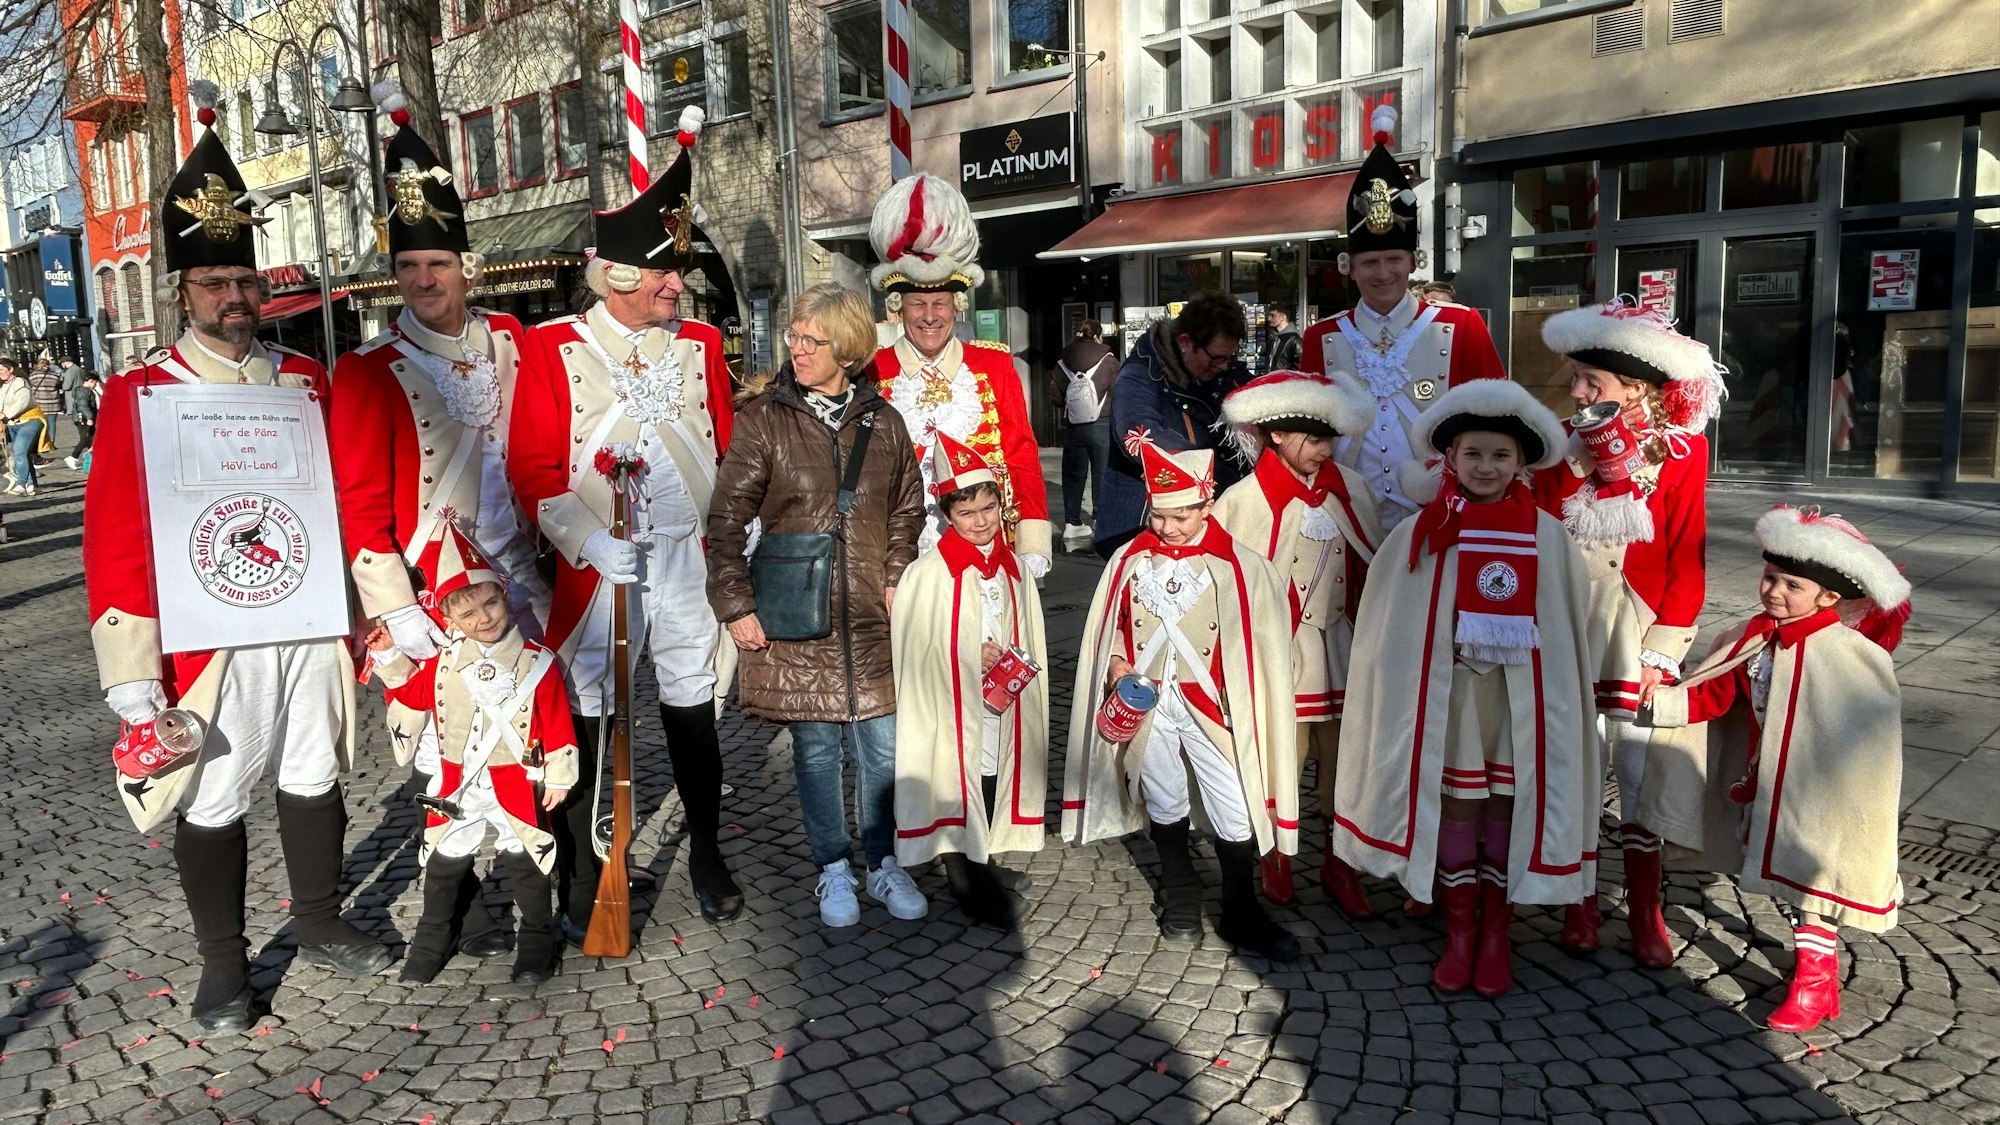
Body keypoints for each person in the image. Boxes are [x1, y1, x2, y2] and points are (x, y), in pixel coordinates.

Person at [82, 90, 388, 1034]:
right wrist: (133, 678)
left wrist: (370, 609)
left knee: (314, 767)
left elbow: (344, 502)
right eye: (214, 282)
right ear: (183, 291)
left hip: (306, 616)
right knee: (215, 789)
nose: (234, 298)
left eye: (245, 281)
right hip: (207, 632)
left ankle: (319, 919)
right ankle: (223, 964)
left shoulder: (306, 380)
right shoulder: (141, 392)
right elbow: (116, 534)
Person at [511, 108, 746, 931]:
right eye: (662, 273)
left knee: (693, 705)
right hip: (600, 566)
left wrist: (736, 530)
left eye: (678, 271)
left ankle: (707, 850)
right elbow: (531, 467)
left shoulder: (702, 344)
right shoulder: (550, 346)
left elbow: (726, 443)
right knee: (593, 714)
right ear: (615, 276)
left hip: (686, 558)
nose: (677, 285)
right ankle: (588, 871)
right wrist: (584, 540)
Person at [331, 84, 552, 955]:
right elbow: (359, 507)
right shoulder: (367, 368)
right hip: (436, 590)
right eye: (410, 268)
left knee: (532, 730)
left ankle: (541, 888)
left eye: (439, 264)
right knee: (447, 751)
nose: (424, 281)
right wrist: (398, 611)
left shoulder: (512, 342)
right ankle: (451, 911)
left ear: (469, 266)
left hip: (526, 578)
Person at [1333, 380, 1596, 998]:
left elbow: (1565, 627)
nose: (1486, 466)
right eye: (1473, 453)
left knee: (1504, 806)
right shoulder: (1422, 532)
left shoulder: (1549, 537)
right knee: (1456, 806)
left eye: (1500, 455)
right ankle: (1459, 931)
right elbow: (1392, 626)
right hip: (1448, 699)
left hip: (1516, 702)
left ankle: (1496, 933)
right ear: (1449, 457)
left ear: (1521, 461)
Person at [706, 283, 929, 930]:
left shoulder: (884, 422)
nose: (797, 349)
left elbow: (907, 508)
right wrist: (735, 605)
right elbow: (725, 521)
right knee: (817, 753)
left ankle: (883, 861)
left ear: (849, 352)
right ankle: (832, 866)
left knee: (883, 750)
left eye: (812, 340)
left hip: (872, 618)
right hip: (797, 616)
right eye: (794, 337)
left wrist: (896, 575)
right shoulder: (765, 421)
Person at [1640, 506, 1910, 1032]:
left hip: (1821, 788)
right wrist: (1663, 703)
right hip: (1763, 778)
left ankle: (1814, 979)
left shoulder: (1850, 654)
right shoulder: (1755, 636)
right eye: (1769, 578)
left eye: (1792, 585)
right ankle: (1815, 972)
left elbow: (1869, 743)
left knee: (1812, 874)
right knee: (1783, 874)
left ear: (1829, 597)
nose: (1774, 592)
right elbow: (1717, 692)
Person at [1530, 298, 1729, 960]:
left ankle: (1647, 911)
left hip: (1638, 632)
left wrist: (1663, 650)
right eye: (1576, 378)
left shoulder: (1682, 451)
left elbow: (1688, 558)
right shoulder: (1558, 445)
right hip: (1570, 626)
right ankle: (1580, 904)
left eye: (1592, 381)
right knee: (1577, 771)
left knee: (1641, 778)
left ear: (1638, 387)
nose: (1578, 391)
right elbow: (1538, 534)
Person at [1063, 430, 1300, 959]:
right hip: (1148, 703)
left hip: (1212, 706)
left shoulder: (1241, 566)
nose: (1168, 528)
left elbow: (1260, 645)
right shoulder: (1129, 559)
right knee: (1163, 796)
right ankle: (1182, 892)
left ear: (1207, 505)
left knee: (1236, 806)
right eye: (1159, 516)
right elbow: (1113, 625)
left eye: (1182, 516)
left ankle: (1240, 910)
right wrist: (1116, 661)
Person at [367, 522, 578, 986]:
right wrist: (388, 656)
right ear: (449, 620)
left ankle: (537, 940)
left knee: (526, 863)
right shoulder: (444, 662)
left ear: (504, 597)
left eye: (491, 603)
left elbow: (556, 719)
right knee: (443, 865)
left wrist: (560, 776)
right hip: (457, 782)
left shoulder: (537, 661)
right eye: (468, 613)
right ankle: (432, 940)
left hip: (514, 781)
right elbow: (414, 693)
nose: (484, 618)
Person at [1211, 370, 1383, 912]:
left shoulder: (1350, 490)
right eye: (1313, 439)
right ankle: (1277, 857)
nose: (1325, 450)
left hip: (1344, 644)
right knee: (1282, 753)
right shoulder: (1243, 501)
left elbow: (1374, 563)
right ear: (1277, 435)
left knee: (1345, 758)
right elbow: (1224, 588)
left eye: (1330, 438)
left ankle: (1340, 862)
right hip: (1282, 651)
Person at [1299, 106, 1504, 531]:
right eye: (1369, 262)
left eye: (1394, 259)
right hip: (1349, 520)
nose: (1382, 273)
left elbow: (1496, 421)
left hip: (1443, 517)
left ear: (1413, 262)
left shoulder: (1462, 327)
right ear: (1349, 268)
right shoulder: (1321, 336)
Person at [891, 432, 1049, 928]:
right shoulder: (928, 574)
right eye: (966, 513)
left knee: (993, 768)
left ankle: (983, 852)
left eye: (988, 509)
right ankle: (963, 872)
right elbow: (914, 647)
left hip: (1000, 699)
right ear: (946, 515)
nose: (980, 522)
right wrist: (965, 652)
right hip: (953, 703)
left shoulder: (1012, 567)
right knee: (955, 773)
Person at [868, 173, 1051, 575]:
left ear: (957, 306)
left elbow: (1021, 454)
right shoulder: (873, 369)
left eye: (940, 303)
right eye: (918, 304)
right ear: (898, 307)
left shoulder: (994, 365)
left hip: (987, 544)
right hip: (899, 551)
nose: (930, 316)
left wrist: (1032, 537)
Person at [1096, 292, 1252, 555]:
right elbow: (1140, 434)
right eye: (1216, 358)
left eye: (1229, 357)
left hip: (1205, 516)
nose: (1223, 366)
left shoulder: (1220, 371)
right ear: (1185, 342)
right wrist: (1206, 465)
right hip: (1147, 522)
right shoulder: (1139, 375)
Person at [1053, 319, 1115, 553]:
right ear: (1098, 336)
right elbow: (1119, 391)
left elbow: (1055, 396)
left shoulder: (1063, 361)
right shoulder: (1108, 360)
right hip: (1101, 424)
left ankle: (1072, 524)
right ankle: (1099, 521)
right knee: (1102, 473)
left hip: (1074, 426)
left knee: (1072, 474)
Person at [0, 357, 46, 495]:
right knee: (24, 454)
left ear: (10, 370)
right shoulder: (4, 386)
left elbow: (22, 402)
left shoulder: (20, 382)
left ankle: (21, 484)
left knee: (19, 451)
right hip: (13, 424)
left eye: (1, 370)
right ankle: (32, 485)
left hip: (29, 421)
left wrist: (6, 415)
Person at [28, 358, 64, 463]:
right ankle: (51, 443)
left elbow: (30, 384)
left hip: (40, 402)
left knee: (40, 424)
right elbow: (59, 384)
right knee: (52, 424)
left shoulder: (34, 375)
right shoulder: (54, 375)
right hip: (53, 402)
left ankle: (42, 444)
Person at [62, 361, 96, 470]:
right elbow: (83, 405)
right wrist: (89, 417)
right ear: (91, 381)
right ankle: (73, 457)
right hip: (83, 418)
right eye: (95, 383)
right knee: (87, 438)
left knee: (89, 439)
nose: (95, 386)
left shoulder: (81, 390)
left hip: (82, 417)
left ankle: (92, 459)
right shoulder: (84, 391)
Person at [1257, 303, 1303, 376]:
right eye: (1269, 315)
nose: (1269, 319)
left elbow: (1299, 366)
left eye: (1273, 315)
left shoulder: (1294, 339)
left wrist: (1288, 378)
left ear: (1283, 317)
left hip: (1285, 381)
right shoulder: (1275, 337)